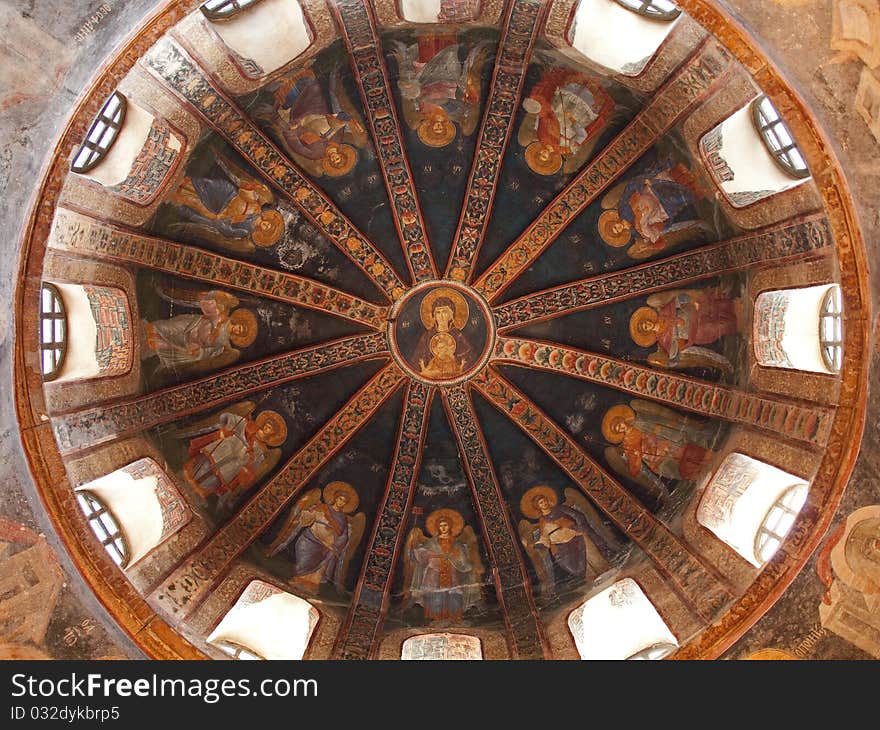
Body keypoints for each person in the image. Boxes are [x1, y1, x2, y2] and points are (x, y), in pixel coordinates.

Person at [168, 154, 284, 251]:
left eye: (267, 229)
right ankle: (178, 177)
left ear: (263, 233)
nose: (266, 226)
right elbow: (244, 191)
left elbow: (227, 231)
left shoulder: (245, 230)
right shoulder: (258, 207)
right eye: (269, 224)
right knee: (205, 184)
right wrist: (249, 190)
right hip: (227, 193)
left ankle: (172, 191)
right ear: (268, 220)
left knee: (194, 201)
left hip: (219, 210)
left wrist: (221, 220)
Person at [265, 482, 365, 593]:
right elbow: (310, 517)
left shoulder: (343, 519)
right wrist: (307, 513)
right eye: (340, 499)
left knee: (320, 566)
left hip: (327, 547)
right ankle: (298, 579)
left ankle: (312, 586)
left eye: (343, 501)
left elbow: (344, 536)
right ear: (335, 498)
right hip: (310, 539)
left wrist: (335, 545)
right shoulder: (322, 508)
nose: (341, 502)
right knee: (303, 554)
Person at [182, 406, 286, 506]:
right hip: (224, 449)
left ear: (273, 433)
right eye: (267, 425)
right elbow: (232, 421)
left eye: (270, 428)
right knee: (203, 464)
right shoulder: (249, 426)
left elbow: (253, 465)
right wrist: (228, 420)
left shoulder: (262, 450)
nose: (266, 428)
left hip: (234, 464)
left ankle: (196, 495)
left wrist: (247, 464)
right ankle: (184, 478)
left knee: (214, 479)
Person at [518, 486, 610, 595]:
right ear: (538, 507)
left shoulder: (560, 509)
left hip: (575, 535)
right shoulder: (542, 521)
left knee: (592, 555)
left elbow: (578, 515)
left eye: (545, 501)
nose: (544, 504)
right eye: (541, 503)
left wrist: (579, 528)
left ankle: (608, 573)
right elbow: (544, 539)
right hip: (562, 547)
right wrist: (530, 545)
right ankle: (595, 584)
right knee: (581, 565)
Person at [141, 290, 257, 372]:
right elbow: (209, 311)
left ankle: (143, 345)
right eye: (240, 327)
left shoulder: (224, 342)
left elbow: (211, 352)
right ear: (238, 322)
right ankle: (142, 331)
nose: (237, 330)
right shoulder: (223, 316)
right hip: (192, 325)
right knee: (166, 327)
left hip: (192, 343)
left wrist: (199, 353)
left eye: (240, 332)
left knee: (165, 344)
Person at [629, 287, 741, 372]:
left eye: (645, 322)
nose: (647, 324)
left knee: (716, 306)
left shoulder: (663, 312)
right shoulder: (663, 340)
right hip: (697, 332)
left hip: (697, 312)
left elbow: (678, 300)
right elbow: (677, 349)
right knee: (717, 327)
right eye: (645, 327)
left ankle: (738, 307)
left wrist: (691, 301)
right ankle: (740, 325)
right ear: (647, 331)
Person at [404, 509, 483, 622]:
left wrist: (460, 560)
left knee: (454, 598)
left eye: (445, 525)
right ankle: (436, 620)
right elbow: (421, 556)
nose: (443, 528)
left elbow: (463, 561)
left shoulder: (457, 543)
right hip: (434, 575)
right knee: (436, 599)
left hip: (453, 575)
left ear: (450, 526)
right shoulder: (432, 543)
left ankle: (455, 619)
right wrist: (412, 548)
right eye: (440, 525)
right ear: (437, 527)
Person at [410, 289, 473, 375]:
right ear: (434, 316)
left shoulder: (458, 335)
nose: (441, 316)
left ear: (451, 315)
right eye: (438, 313)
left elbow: (468, 360)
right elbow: (416, 361)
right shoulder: (427, 336)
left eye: (445, 312)